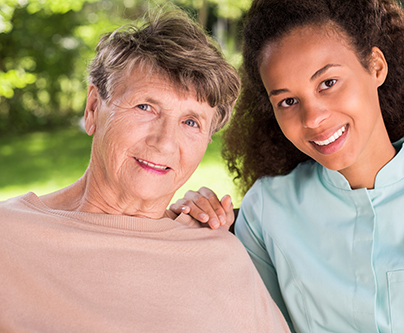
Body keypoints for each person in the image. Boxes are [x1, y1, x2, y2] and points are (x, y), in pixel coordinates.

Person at [170, 0, 404, 331]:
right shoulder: (265, 212)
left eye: (328, 83)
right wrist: (201, 235)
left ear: (375, 67)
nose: (313, 118)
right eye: (288, 101)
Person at [0, 10, 291, 332]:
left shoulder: (220, 255)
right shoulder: (8, 237)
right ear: (94, 108)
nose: (165, 143)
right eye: (145, 107)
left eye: (191, 122)